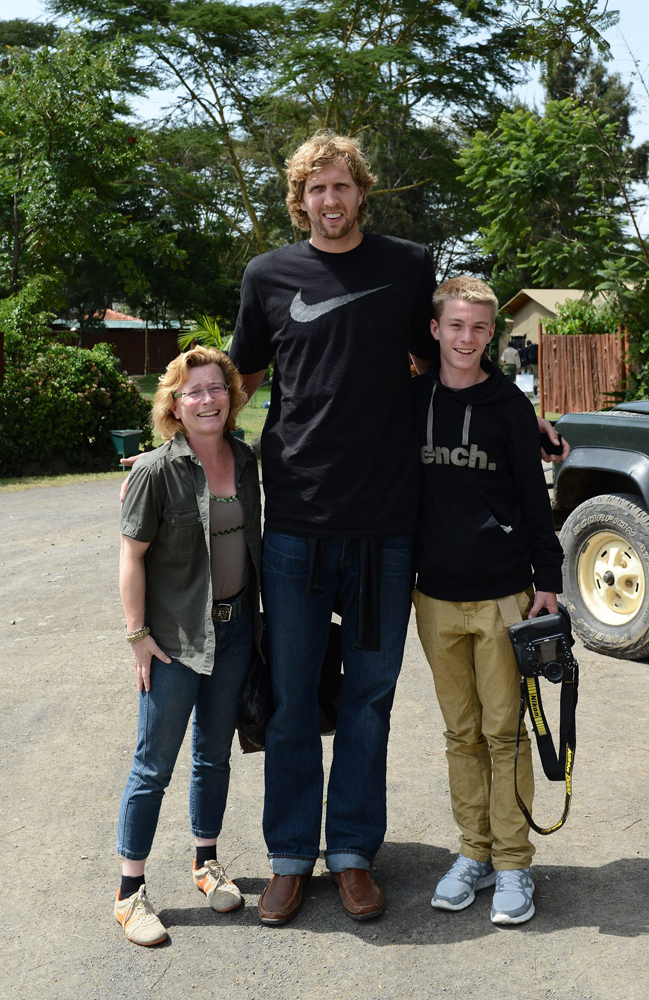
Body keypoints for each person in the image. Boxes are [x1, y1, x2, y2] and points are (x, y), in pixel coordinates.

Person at [227, 132, 568, 926]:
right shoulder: (267, 276)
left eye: (342, 186)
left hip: (386, 532)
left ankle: (350, 856)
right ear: (299, 198)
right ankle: (287, 860)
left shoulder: (407, 265)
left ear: (360, 191)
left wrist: (525, 422)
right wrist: (178, 433)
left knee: (369, 702)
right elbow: (238, 374)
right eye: (316, 190)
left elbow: (453, 358)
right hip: (297, 529)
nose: (331, 201)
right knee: (289, 701)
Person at [412, 277, 563, 926]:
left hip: (504, 595)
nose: (467, 338)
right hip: (433, 598)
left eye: (479, 328)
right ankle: (472, 852)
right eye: (455, 326)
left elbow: (536, 504)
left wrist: (548, 583)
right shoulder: (408, 401)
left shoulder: (508, 408)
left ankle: (511, 864)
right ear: (434, 329)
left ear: (490, 335)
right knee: (460, 734)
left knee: (504, 734)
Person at [114, 346, 262, 946]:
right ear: (174, 404)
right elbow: (132, 556)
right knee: (154, 765)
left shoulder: (246, 460)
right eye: (193, 391)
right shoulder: (155, 470)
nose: (206, 399)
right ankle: (129, 894)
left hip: (234, 632)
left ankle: (205, 862)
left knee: (213, 755)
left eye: (216, 388)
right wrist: (138, 636)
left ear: (231, 397)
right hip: (173, 640)